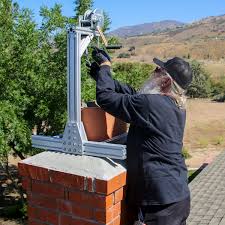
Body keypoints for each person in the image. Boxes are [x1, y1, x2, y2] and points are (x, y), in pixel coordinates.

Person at [89, 48, 193, 225]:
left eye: (159, 70)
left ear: (166, 81)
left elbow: (106, 98)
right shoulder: (174, 105)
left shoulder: (151, 105)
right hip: (177, 196)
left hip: (159, 204)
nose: (154, 72)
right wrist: (102, 77)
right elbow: (134, 94)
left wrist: (105, 67)